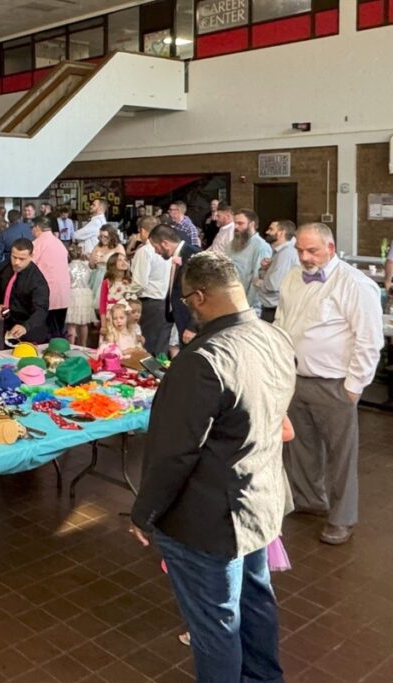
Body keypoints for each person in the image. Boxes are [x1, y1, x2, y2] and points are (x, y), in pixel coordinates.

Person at [130, 251, 296, 683]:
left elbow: (173, 454)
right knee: (256, 605)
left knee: (216, 624)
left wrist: (144, 514)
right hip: (260, 498)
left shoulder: (202, 359)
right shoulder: (274, 336)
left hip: (208, 519)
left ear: (199, 298)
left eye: (186, 301)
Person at [276, 223, 384, 545]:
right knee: (301, 447)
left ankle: (342, 518)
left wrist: (353, 387)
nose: (305, 257)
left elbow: (369, 341)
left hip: (335, 384)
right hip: (296, 378)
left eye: (313, 251)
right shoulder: (293, 277)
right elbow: (281, 322)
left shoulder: (355, 284)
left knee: (341, 455)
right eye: (300, 250)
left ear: (331, 248)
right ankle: (310, 500)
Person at [147, 225, 200, 347]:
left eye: (156, 247)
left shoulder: (193, 255)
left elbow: (202, 292)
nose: (156, 252)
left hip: (190, 324)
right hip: (179, 319)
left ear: (165, 243)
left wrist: (192, 326)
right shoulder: (179, 255)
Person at [0, 238, 50, 345]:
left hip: (30, 329)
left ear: (31, 256)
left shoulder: (37, 280)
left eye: (22, 259)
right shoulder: (5, 267)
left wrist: (26, 326)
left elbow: (41, 310)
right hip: (8, 324)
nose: (16, 262)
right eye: (14, 257)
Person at [130, 216, 171, 356]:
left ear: (143, 231)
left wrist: (128, 296)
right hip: (166, 300)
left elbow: (140, 281)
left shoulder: (145, 251)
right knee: (162, 345)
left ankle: (147, 376)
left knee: (147, 344)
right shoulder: (168, 250)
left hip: (149, 302)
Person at [224, 209, 273, 314]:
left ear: (252, 224)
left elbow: (257, 280)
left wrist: (250, 308)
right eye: (235, 223)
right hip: (229, 302)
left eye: (240, 223)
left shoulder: (261, 247)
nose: (236, 227)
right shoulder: (230, 245)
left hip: (247, 306)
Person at [30, 216, 71, 338]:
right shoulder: (59, 243)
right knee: (59, 330)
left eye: (32, 228)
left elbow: (30, 267)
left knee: (45, 332)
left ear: (37, 228)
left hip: (46, 293)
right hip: (63, 293)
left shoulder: (37, 244)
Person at [255, 219, 299, 323]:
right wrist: (264, 270)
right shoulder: (278, 252)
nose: (267, 232)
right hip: (271, 308)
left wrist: (258, 282)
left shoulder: (286, 254)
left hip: (275, 309)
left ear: (281, 233)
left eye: (271, 229)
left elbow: (273, 285)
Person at [88, 225, 126, 310]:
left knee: (109, 304)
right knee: (95, 306)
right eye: (101, 236)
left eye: (106, 236)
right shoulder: (98, 246)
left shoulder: (118, 247)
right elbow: (91, 266)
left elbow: (123, 264)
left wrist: (105, 261)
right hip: (96, 277)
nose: (103, 239)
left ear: (112, 236)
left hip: (110, 276)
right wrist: (93, 261)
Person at [65, 243, 96, 347]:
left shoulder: (67, 267)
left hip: (72, 294)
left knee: (71, 324)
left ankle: (71, 345)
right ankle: (83, 344)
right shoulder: (86, 266)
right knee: (83, 323)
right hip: (85, 294)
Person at [97, 252, 135, 319]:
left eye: (125, 260)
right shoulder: (107, 282)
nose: (124, 262)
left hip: (127, 316)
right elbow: (102, 304)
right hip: (111, 317)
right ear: (113, 264)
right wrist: (103, 324)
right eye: (120, 260)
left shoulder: (131, 281)